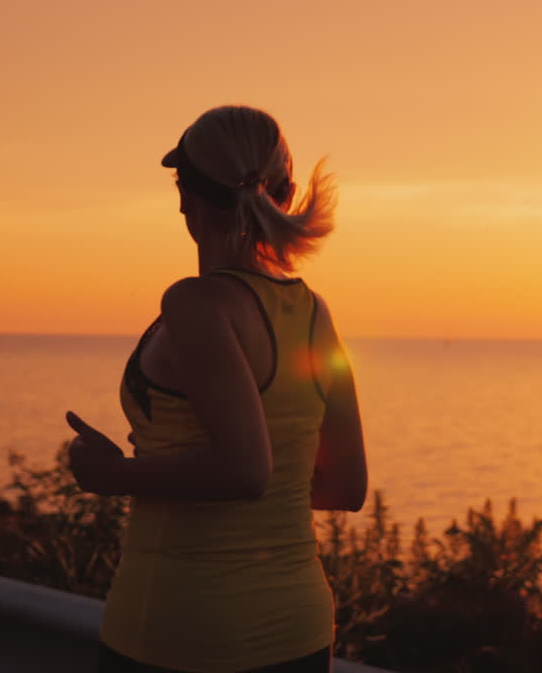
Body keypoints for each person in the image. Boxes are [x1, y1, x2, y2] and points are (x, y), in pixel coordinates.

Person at [66, 105, 368, 672]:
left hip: (182, 629)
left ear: (185, 197)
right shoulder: (313, 314)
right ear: (286, 192)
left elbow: (245, 470)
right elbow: (346, 486)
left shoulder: (195, 304)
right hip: (300, 630)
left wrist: (116, 475)